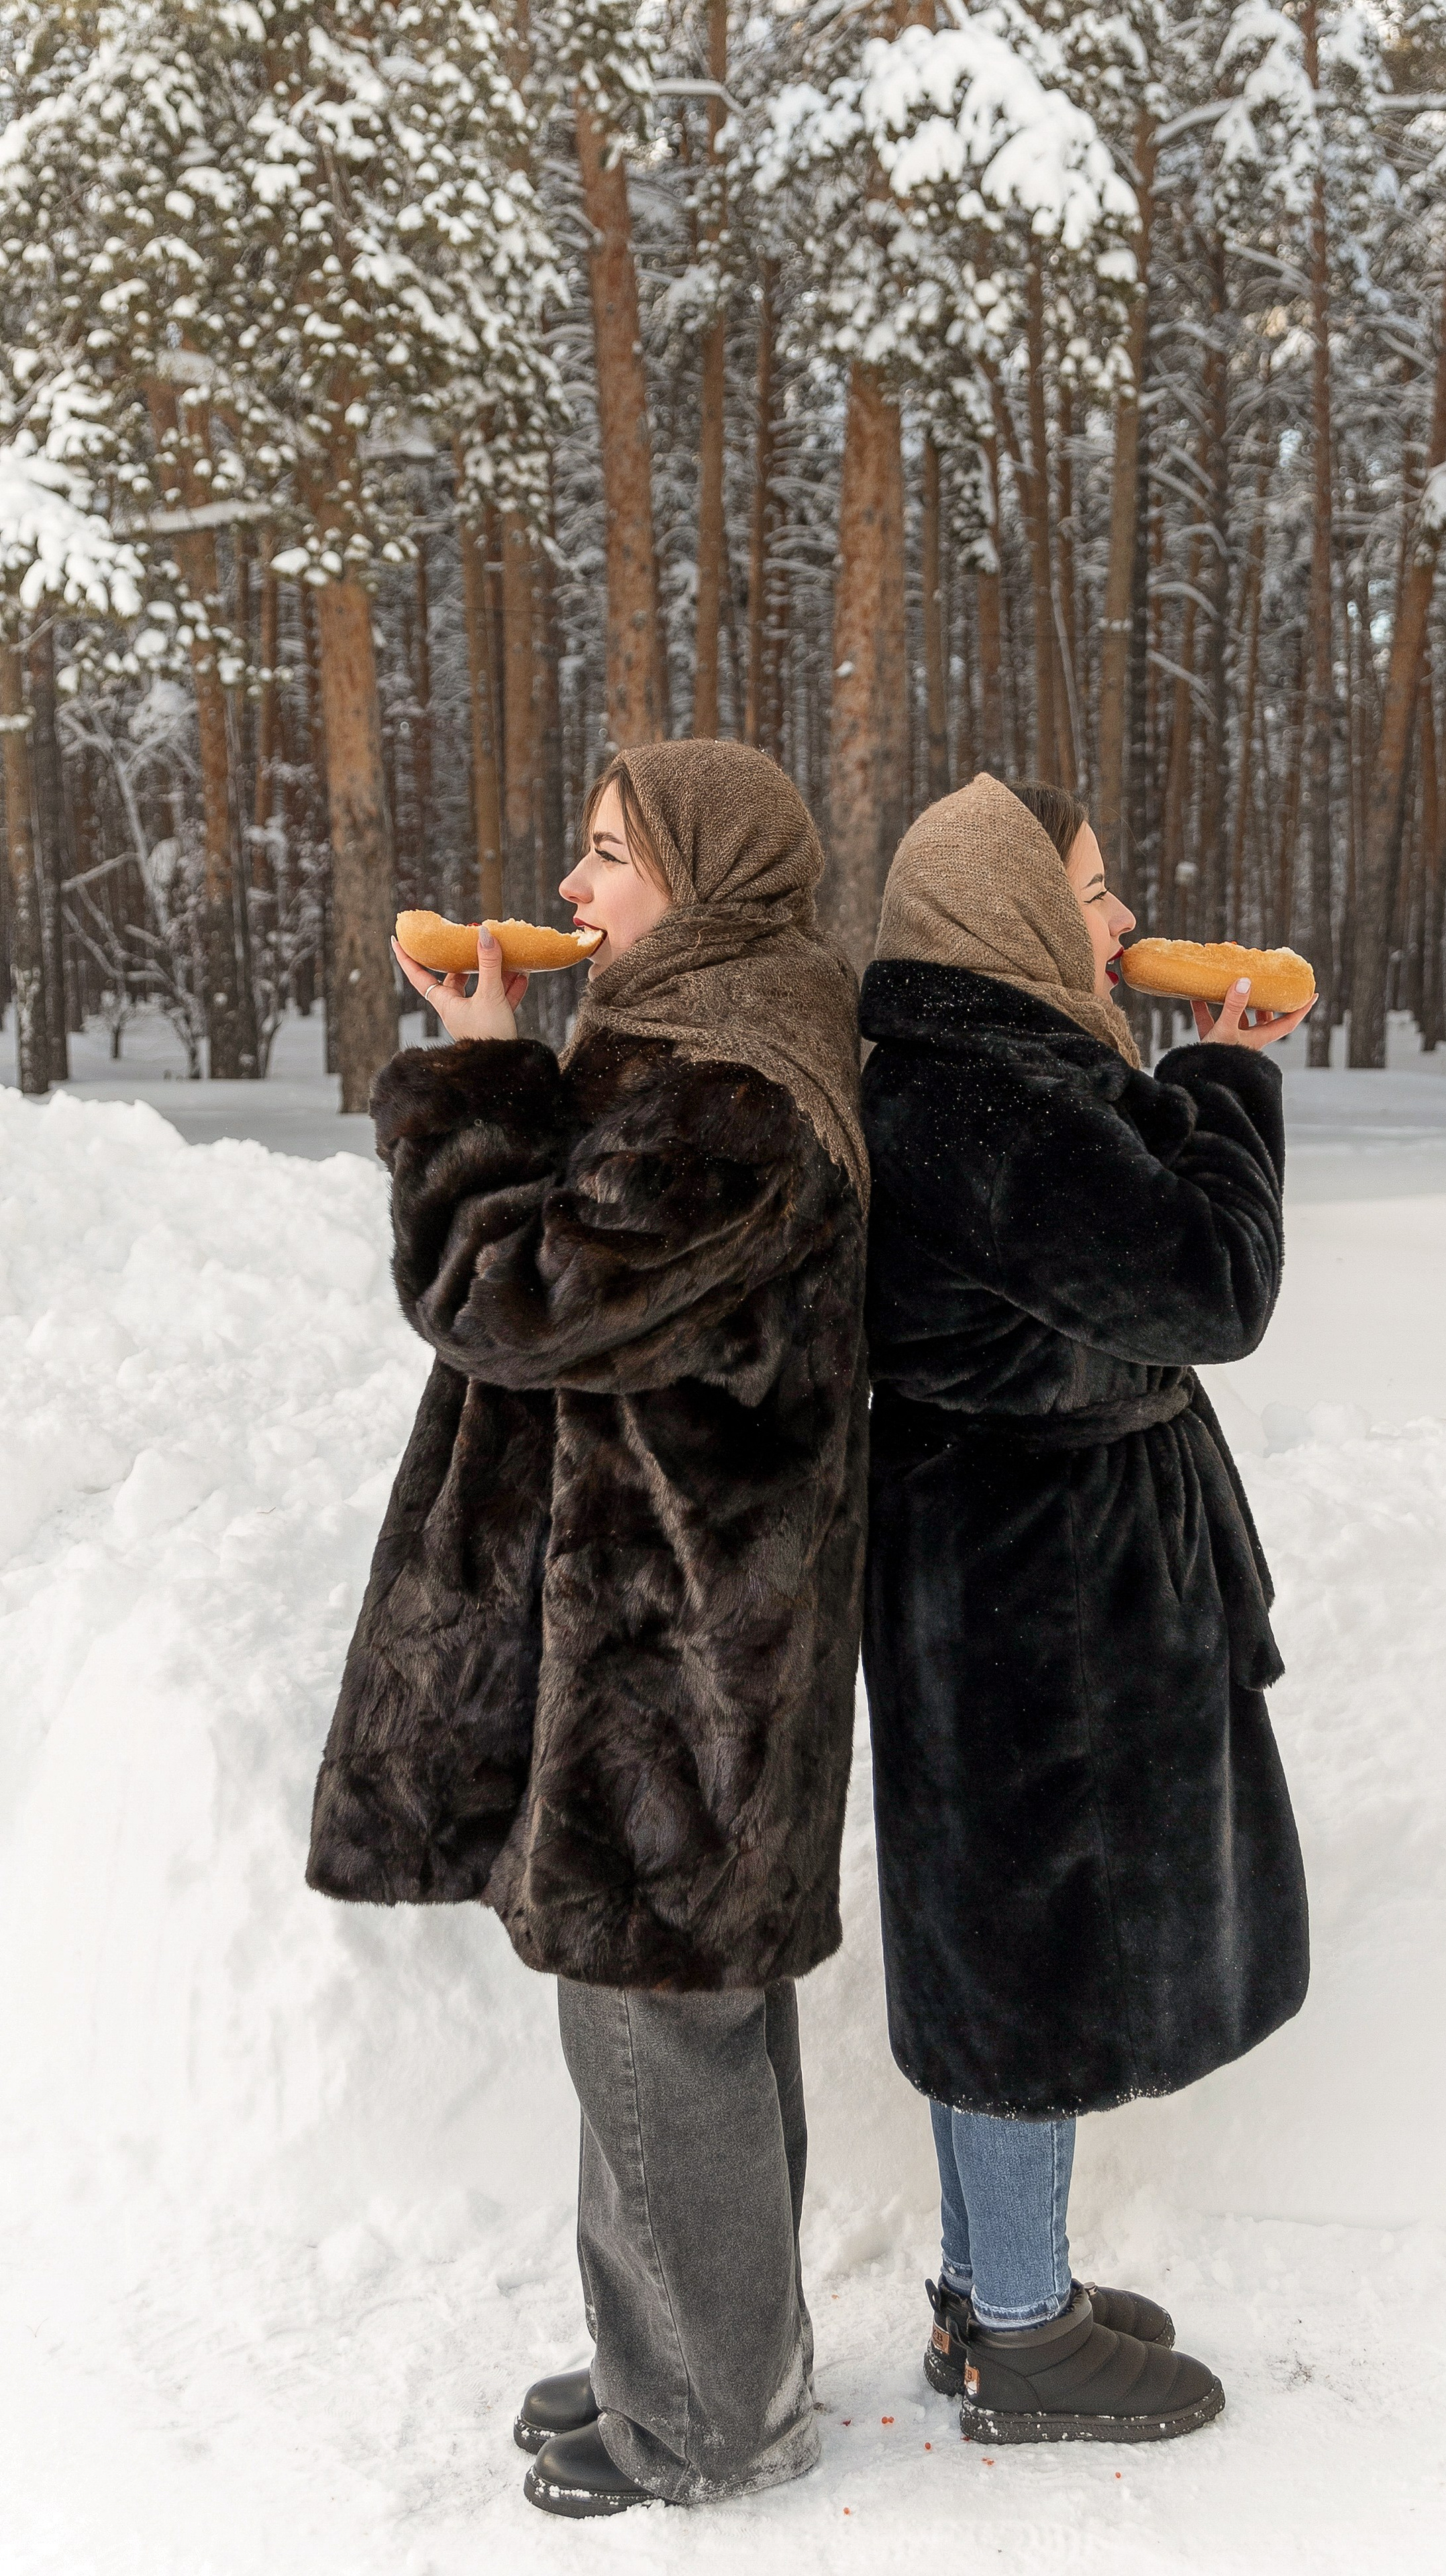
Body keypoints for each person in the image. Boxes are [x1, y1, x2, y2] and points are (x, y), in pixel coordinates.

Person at [305, 741, 869, 2520]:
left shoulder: (736, 1101)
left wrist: (470, 1081)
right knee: (687, 2019)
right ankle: (701, 2356)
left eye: (610, 855)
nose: (570, 887)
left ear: (703, 886)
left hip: (679, 1662)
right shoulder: (702, 1059)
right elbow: (584, 1248)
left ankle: (709, 2419)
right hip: (673, 1642)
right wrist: (528, 1071)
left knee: (658, 2030)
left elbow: (510, 1297)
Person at [858, 771, 1311, 2449]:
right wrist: (1234, 1080)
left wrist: (1177, 1078)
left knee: (1003, 1945)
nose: (1122, 919)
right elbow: (1209, 1287)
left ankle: (995, 2295)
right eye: (1095, 891)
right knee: (1019, 1961)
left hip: (1000, 1570)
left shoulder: (987, 1076)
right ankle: (1024, 2331)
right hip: (1025, 1594)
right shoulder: (990, 1105)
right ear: (1015, 910)